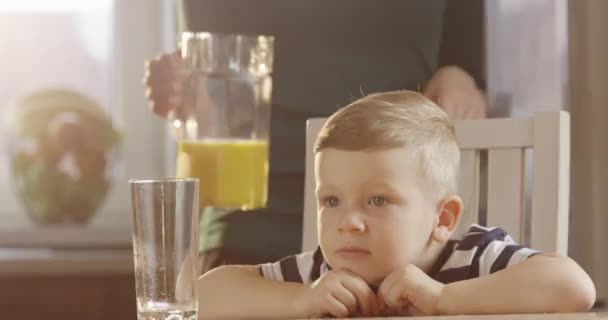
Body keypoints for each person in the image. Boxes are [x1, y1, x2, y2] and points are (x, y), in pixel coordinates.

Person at [144, 0, 487, 274]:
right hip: (255, 221)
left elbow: (464, 65)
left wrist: (460, 76)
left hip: (400, 233)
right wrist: (178, 86)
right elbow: (207, 85)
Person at [196, 90, 595, 318]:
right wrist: (300, 299)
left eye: (377, 200)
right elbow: (201, 295)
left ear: (442, 218)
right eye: (331, 199)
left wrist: (442, 298)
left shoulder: (473, 261)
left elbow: (575, 287)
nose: (348, 221)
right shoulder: (323, 272)